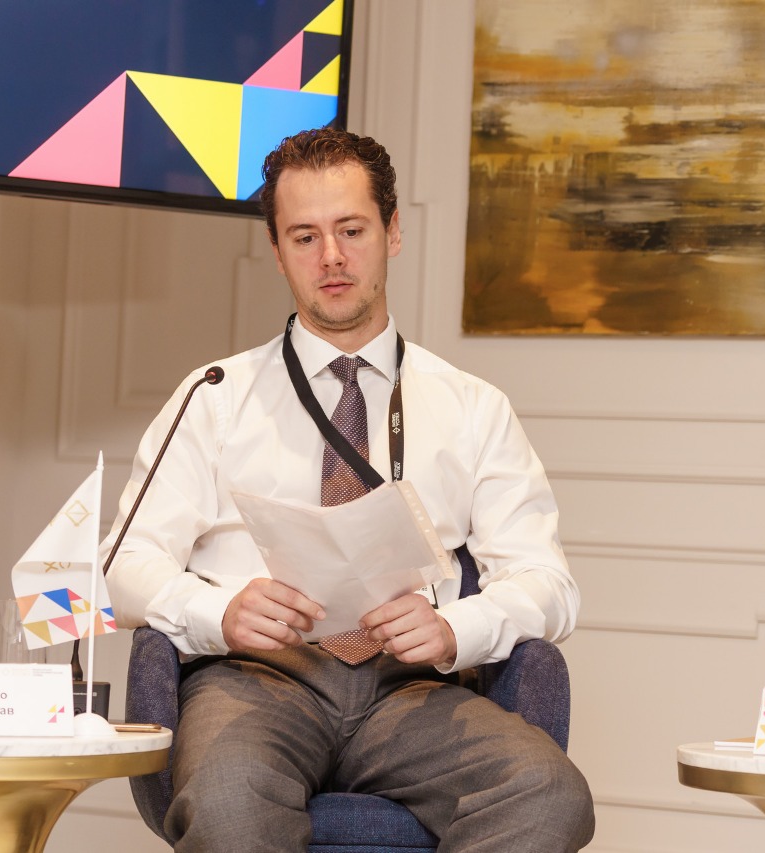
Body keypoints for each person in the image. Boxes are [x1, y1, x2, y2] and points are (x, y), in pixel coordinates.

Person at [103, 127, 595, 852]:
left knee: (550, 795)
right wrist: (219, 612)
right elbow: (122, 568)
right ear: (277, 251)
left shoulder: (472, 407)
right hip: (254, 679)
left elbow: (550, 585)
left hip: (412, 689)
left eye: (351, 230)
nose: (330, 256)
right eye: (304, 237)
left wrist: (457, 629)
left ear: (392, 232)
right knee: (228, 801)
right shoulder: (213, 396)